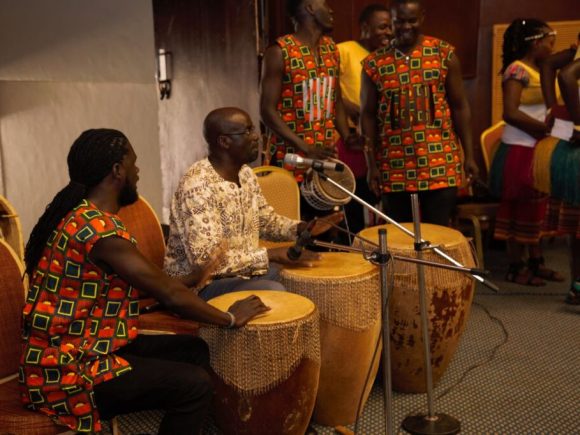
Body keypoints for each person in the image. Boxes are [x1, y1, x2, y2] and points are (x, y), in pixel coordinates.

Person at [20, 129, 269, 434]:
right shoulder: (99, 231)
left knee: (194, 350)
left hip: (94, 344)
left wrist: (194, 275)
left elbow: (151, 282)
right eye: (134, 164)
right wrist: (230, 318)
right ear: (117, 170)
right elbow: (168, 295)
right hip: (69, 369)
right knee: (194, 385)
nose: (137, 172)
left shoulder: (84, 217)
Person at [164, 107, 341, 301]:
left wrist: (301, 228)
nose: (256, 137)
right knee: (273, 291)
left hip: (242, 274)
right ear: (224, 141)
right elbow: (206, 263)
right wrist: (271, 255)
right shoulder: (197, 187)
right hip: (198, 289)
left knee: (305, 280)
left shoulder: (245, 174)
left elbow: (264, 222)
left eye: (253, 130)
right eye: (247, 132)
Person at [360, 0, 478, 227]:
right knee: (400, 237)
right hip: (393, 165)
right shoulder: (374, 64)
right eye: (399, 22)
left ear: (422, 18)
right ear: (391, 22)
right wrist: (371, 164)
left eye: (411, 20)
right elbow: (367, 115)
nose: (405, 27)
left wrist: (469, 155)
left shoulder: (444, 54)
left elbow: (460, 106)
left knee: (439, 233)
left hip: (440, 163)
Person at [488, 18, 564, 286]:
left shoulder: (542, 69)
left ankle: (536, 263)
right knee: (519, 208)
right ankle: (515, 266)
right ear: (535, 42)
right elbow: (510, 112)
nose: (553, 44)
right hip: (519, 149)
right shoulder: (517, 71)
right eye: (549, 39)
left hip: (538, 149)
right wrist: (545, 128)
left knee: (538, 209)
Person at [260, 0, 361, 192]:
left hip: (324, 160)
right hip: (288, 160)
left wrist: (347, 137)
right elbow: (266, 112)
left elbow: (336, 100)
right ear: (310, 8)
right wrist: (306, 147)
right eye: (324, 4)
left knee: (326, 221)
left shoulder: (331, 49)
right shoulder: (280, 51)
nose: (331, 10)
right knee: (292, 221)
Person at [335, 3, 392, 235]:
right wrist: (351, 107)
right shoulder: (344, 50)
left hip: (383, 140)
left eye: (391, 27)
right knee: (356, 199)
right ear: (365, 27)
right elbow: (331, 89)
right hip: (353, 140)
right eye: (382, 27)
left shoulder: (389, 57)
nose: (388, 32)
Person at [540, 41, 580, 303]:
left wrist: (552, 108)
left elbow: (549, 64)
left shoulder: (572, 53)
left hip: (568, 147)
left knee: (576, 228)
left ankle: (577, 286)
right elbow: (565, 75)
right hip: (574, 147)